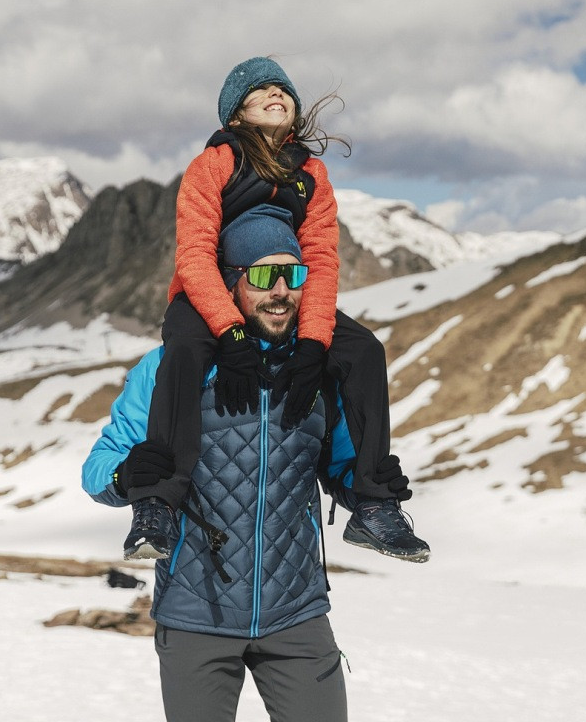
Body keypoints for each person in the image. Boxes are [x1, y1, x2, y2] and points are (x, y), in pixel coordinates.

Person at [83, 208, 412, 721]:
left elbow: (341, 465)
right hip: (195, 616)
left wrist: (368, 486)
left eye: (293, 275)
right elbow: (97, 468)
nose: (281, 291)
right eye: (263, 276)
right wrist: (125, 475)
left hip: (297, 615)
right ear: (230, 283)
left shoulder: (319, 372)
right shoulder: (171, 367)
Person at [121, 56, 428, 564]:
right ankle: (158, 502)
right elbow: (194, 255)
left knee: (364, 351)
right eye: (259, 90)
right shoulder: (212, 165)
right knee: (185, 349)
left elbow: (321, 260)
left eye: (282, 89)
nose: (275, 93)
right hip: (211, 290)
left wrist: (313, 343)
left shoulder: (311, 174)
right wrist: (229, 331)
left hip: (286, 288)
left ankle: (373, 503)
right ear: (234, 115)